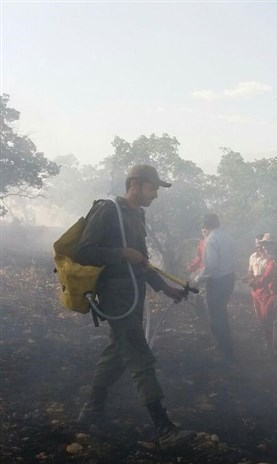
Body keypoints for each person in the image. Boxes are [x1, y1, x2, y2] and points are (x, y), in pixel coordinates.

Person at [74, 164, 193, 447]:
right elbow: (84, 252)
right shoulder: (108, 210)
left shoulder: (137, 215)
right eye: (153, 188)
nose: (155, 195)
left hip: (133, 294)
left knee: (117, 351)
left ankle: (91, 411)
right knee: (139, 355)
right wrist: (121, 253)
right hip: (116, 297)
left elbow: (142, 260)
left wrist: (164, 288)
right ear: (135, 184)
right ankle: (164, 427)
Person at [193, 214, 237, 362]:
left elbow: (210, 266)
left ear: (205, 226)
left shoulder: (211, 240)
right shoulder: (228, 237)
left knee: (217, 316)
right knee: (221, 314)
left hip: (218, 281)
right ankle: (223, 346)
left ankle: (226, 351)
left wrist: (196, 279)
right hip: (229, 279)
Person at [246, 234, 277, 350]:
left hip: (267, 290)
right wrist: (250, 279)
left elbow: (267, 277)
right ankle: (267, 340)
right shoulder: (253, 257)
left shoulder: (270, 259)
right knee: (259, 317)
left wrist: (255, 282)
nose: (259, 246)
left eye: (261, 244)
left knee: (267, 316)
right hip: (255, 290)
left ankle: (272, 343)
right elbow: (250, 271)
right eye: (257, 244)